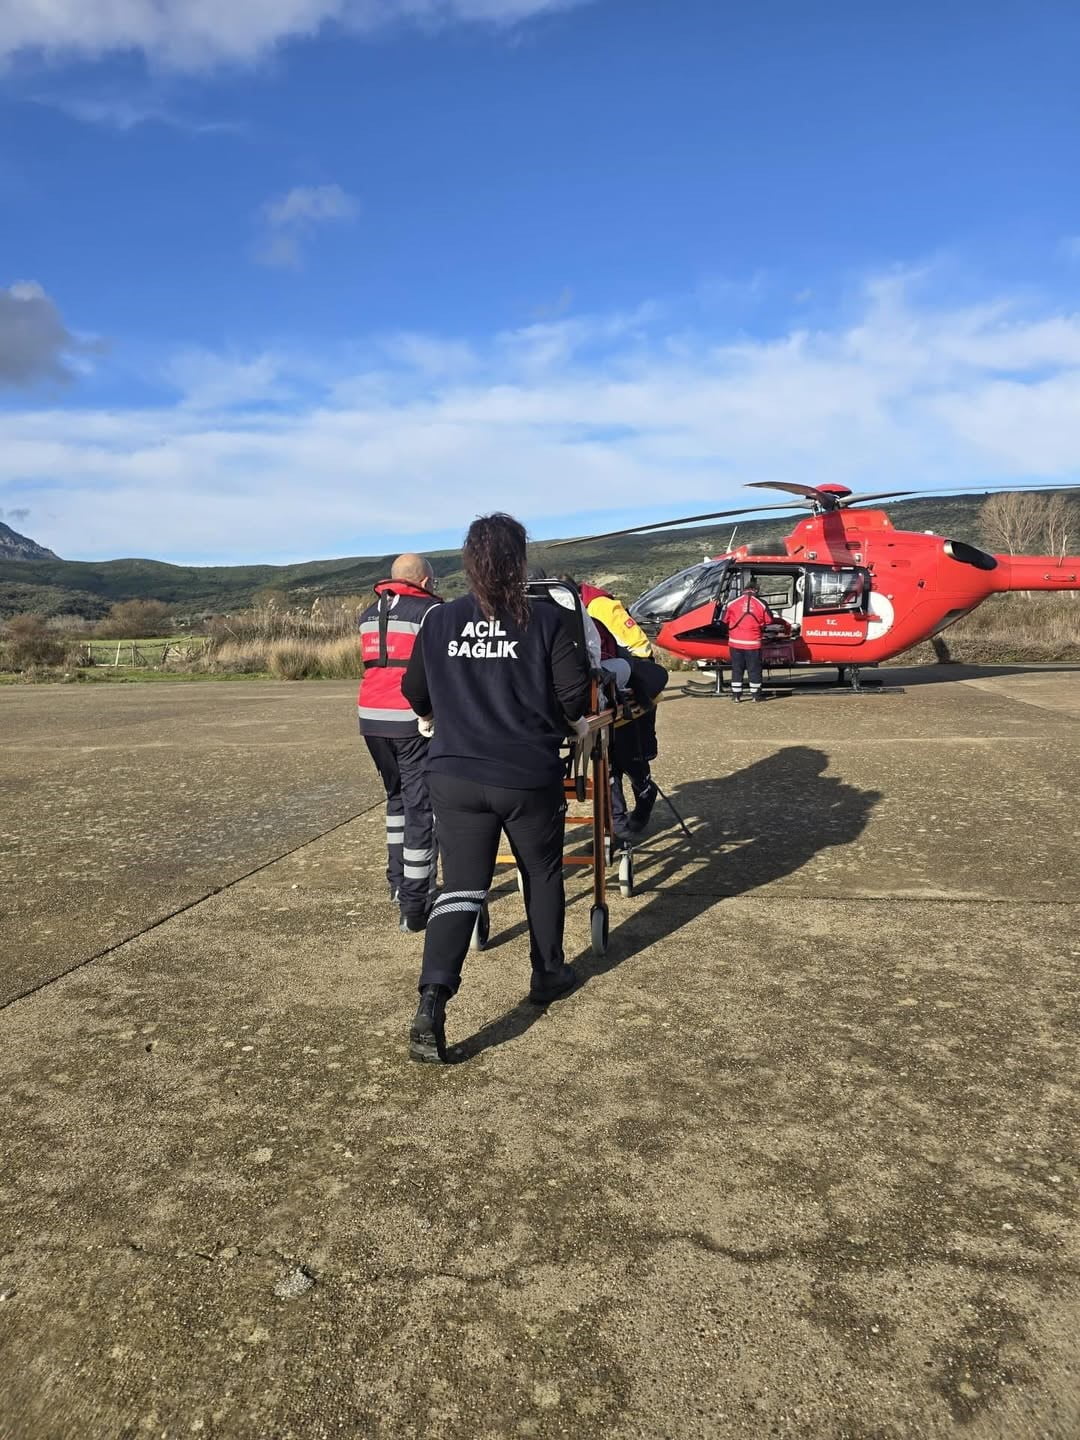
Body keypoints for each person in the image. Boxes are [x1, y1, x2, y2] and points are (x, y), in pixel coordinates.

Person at [402, 514, 590, 1063]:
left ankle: (432, 1001)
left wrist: (451, 710)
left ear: (468, 560)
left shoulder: (440, 620)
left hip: (455, 772)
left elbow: (415, 691)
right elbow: (574, 698)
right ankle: (548, 972)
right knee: (542, 870)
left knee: (461, 886)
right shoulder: (550, 619)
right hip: (526, 773)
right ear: (520, 559)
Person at [356, 553, 442, 932]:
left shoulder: (368, 613)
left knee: (396, 801)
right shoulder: (430, 612)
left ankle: (396, 881)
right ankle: (416, 899)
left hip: (371, 719)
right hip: (410, 720)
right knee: (421, 808)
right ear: (424, 582)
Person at [563, 574, 665, 840]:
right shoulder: (577, 609)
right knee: (607, 765)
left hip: (631, 684)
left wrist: (632, 680)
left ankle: (643, 792)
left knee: (629, 756)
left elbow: (636, 646)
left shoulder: (598, 607)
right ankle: (616, 828)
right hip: (606, 689)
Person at [721, 577, 775, 702]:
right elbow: (769, 620)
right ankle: (755, 696)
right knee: (754, 669)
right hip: (753, 644)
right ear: (756, 590)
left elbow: (725, 620)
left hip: (735, 643)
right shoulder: (761, 603)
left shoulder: (732, 603)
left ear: (744, 590)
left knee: (737, 668)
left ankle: (736, 696)